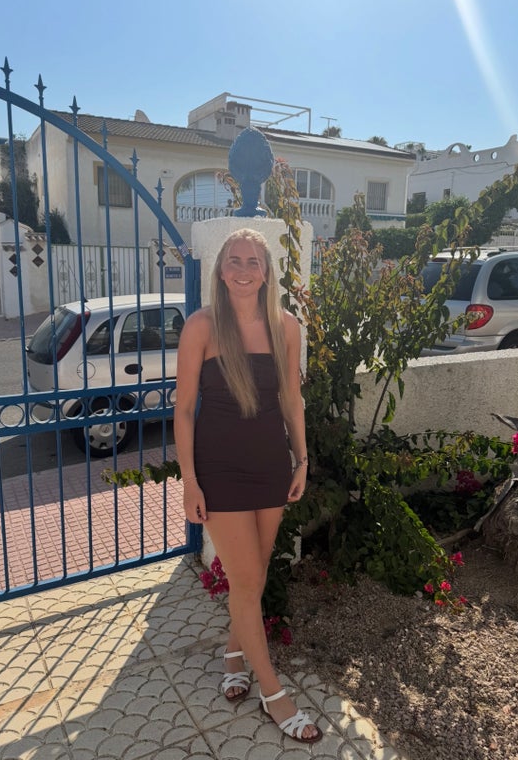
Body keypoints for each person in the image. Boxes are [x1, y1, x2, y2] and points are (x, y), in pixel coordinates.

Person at [174, 228, 322, 744]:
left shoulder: (286, 327)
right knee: (245, 581)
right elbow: (184, 409)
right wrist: (190, 481)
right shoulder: (201, 326)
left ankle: (234, 655)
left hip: (269, 465)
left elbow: (291, 400)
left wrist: (302, 459)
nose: (243, 269)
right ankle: (273, 693)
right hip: (219, 470)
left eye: (253, 261)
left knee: (253, 579)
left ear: (265, 272)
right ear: (221, 270)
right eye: (234, 260)